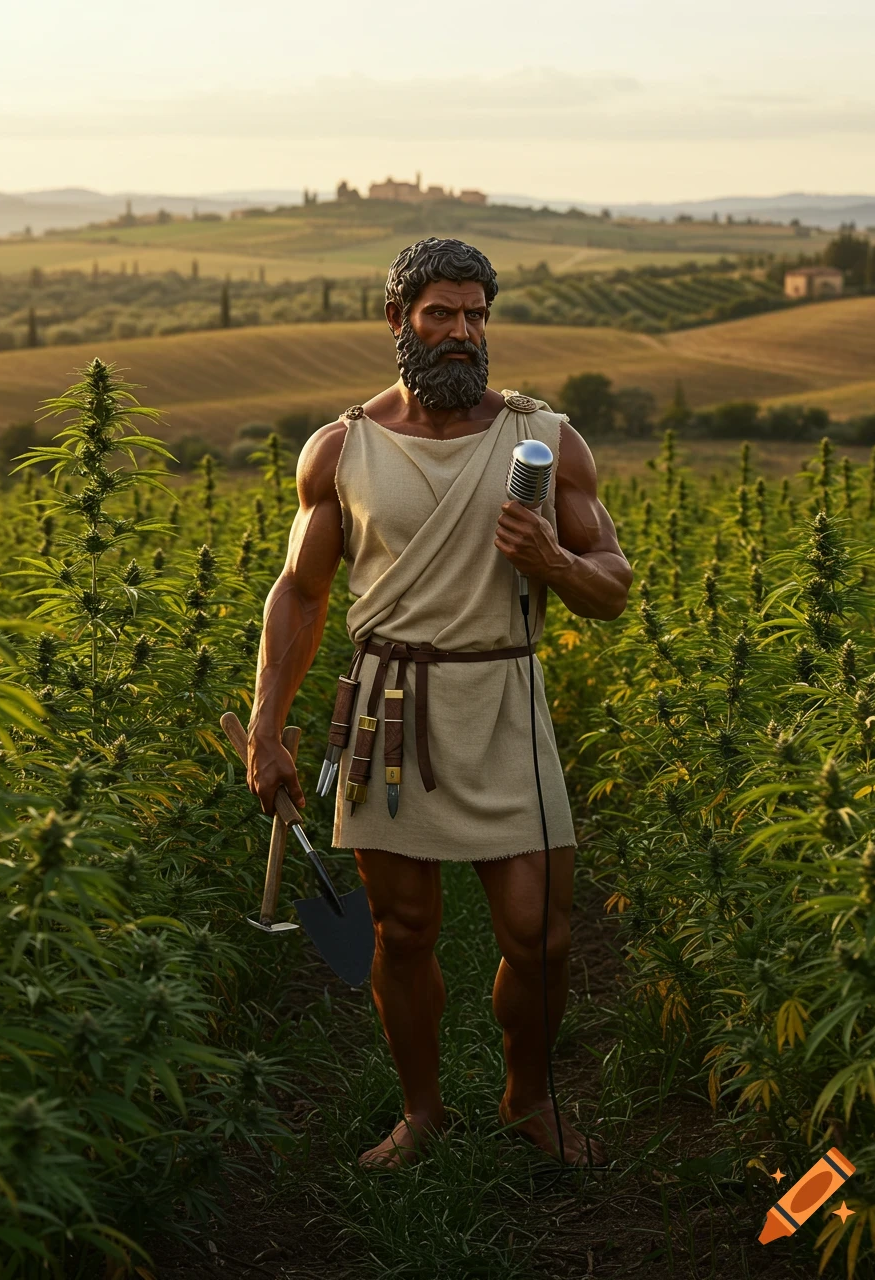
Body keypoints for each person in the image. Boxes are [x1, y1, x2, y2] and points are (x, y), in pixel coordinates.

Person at [246, 237, 632, 1170]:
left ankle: (528, 1101)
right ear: (397, 321)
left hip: (504, 697)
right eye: (441, 315)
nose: (463, 333)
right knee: (404, 930)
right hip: (388, 709)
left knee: (542, 933)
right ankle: (422, 1114)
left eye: (477, 315)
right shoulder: (342, 449)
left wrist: (552, 562)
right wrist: (266, 726)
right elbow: (301, 593)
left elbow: (613, 585)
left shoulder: (544, 441)